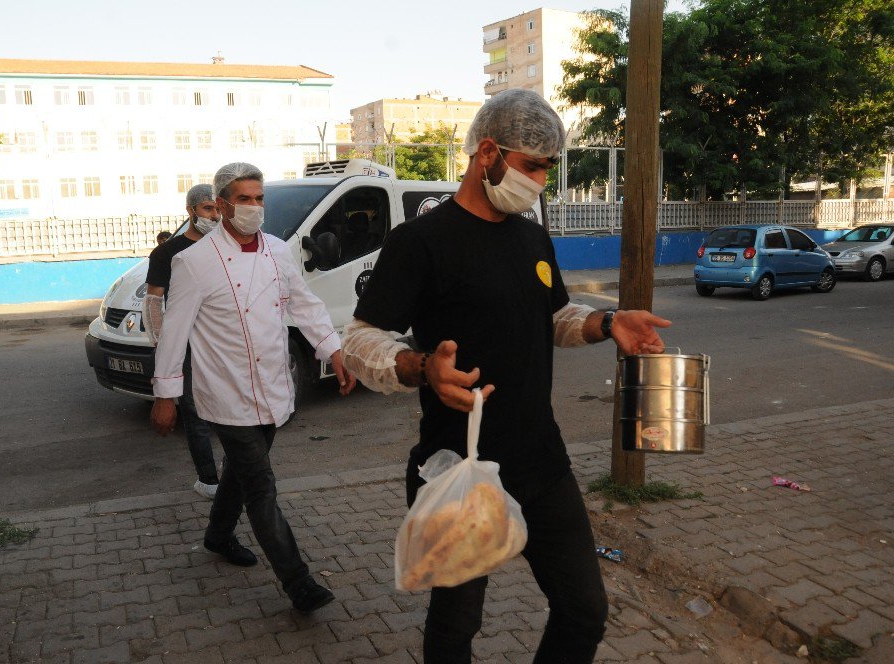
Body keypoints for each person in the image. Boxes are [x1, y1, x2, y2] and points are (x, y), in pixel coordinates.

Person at [343, 89, 671, 663]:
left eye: (548, 167)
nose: (541, 180)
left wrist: (607, 321)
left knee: (584, 609)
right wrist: (421, 367)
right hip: (458, 467)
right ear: (487, 153)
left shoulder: (531, 235)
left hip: (542, 461)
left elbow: (552, 317)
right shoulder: (420, 241)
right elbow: (361, 340)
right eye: (533, 166)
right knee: (456, 626)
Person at [150, 162, 356, 614]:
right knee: (261, 485)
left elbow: (304, 303)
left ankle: (217, 535)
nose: (254, 207)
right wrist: (166, 395)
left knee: (243, 474)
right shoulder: (193, 262)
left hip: (275, 386)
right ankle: (298, 582)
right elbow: (175, 332)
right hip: (226, 393)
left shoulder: (280, 252)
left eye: (260, 198)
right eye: (244, 199)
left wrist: (333, 350)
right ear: (222, 204)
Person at [143, 185, 226, 503]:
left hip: (221, 342)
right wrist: (164, 347)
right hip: (187, 345)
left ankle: (234, 471)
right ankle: (209, 479)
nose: (214, 217)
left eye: (217, 210)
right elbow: (153, 302)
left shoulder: (225, 247)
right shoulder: (167, 252)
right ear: (191, 211)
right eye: (207, 209)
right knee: (194, 413)